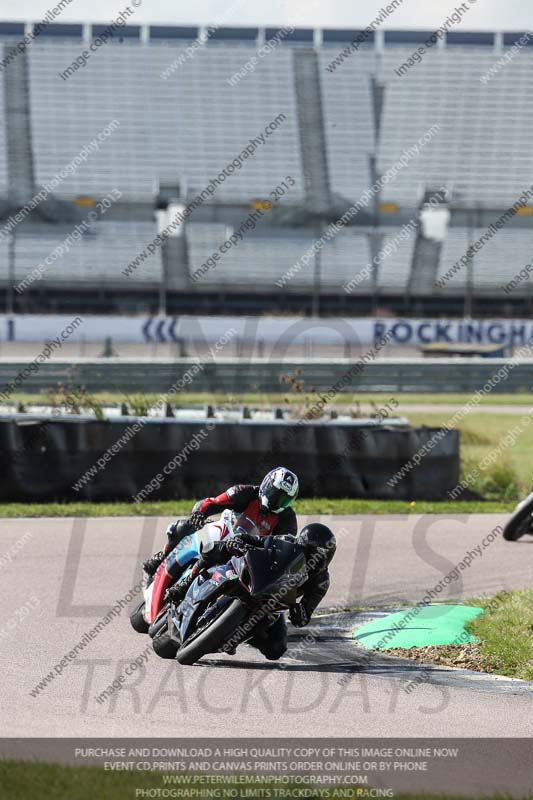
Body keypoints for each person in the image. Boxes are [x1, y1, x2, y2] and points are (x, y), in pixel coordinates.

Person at [167, 522, 336, 661]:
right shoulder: (286, 540)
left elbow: (306, 614)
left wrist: (299, 614)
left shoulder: (321, 582)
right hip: (256, 578)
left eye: (317, 555)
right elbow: (258, 540)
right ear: (299, 545)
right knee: (214, 549)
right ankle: (182, 586)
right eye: (307, 551)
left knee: (276, 649)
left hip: (274, 604)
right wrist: (239, 540)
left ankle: (236, 637)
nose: (311, 558)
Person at [141, 467, 300, 590]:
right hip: (224, 531)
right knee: (184, 527)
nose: (276, 501)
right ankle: (158, 560)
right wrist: (199, 514)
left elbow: (282, 548)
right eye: (275, 494)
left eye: (284, 500)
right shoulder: (245, 492)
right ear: (266, 485)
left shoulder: (287, 519)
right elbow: (211, 503)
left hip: (244, 552)